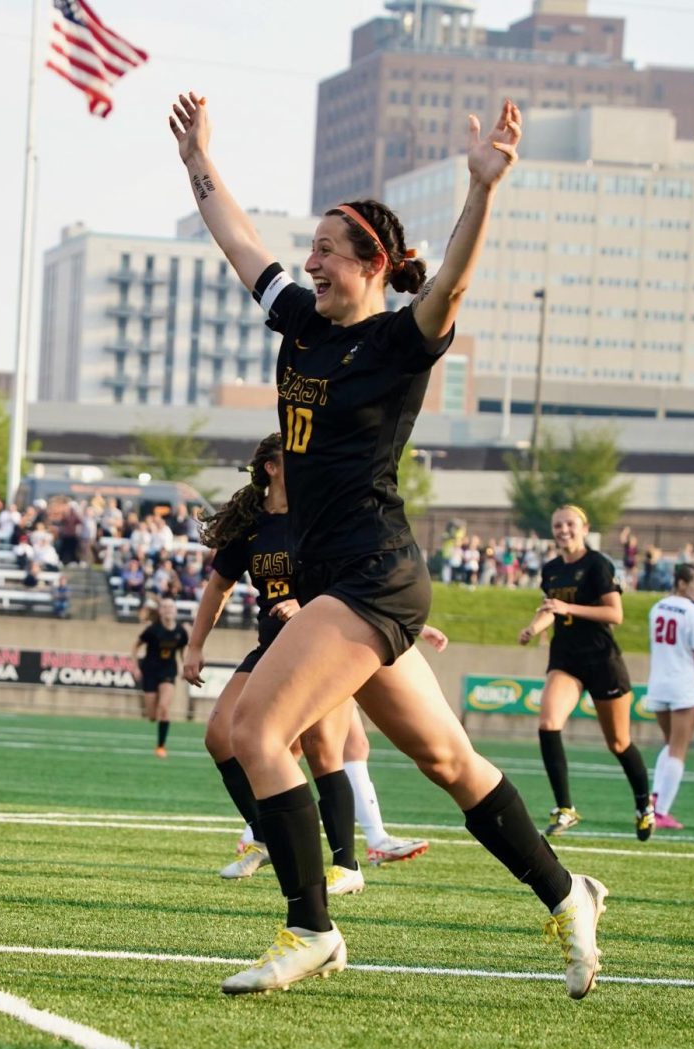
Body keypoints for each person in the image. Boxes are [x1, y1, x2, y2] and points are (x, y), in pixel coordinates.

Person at [170, 91, 605, 999]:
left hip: (374, 578)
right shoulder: (300, 319)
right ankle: (570, 896)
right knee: (450, 763)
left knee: (254, 727)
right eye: (313, 249)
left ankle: (310, 927)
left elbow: (449, 280)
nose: (310, 260)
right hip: (350, 583)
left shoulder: (397, 342)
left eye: (328, 248)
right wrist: (199, 158)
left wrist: (482, 191)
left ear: (371, 265)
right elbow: (233, 231)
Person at [184, 432, 430, 885]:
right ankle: (266, 834)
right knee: (221, 736)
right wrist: (195, 645)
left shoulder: (318, 518)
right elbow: (219, 585)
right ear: (272, 468)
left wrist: (308, 606)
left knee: (323, 750)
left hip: (323, 647)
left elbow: (355, 580)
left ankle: (346, 865)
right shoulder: (252, 523)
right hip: (271, 645)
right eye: (293, 460)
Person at [519, 505, 653, 841]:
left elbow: (615, 614)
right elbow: (552, 608)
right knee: (548, 724)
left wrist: (568, 608)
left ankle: (643, 806)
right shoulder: (550, 569)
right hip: (566, 659)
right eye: (557, 525)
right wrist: (534, 627)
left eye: (569, 524)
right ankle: (565, 808)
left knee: (619, 742)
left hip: (601, 660)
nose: (563, 530)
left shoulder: (597, 564)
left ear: (584, 528)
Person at [645, 562, 694, 829]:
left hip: (659, 683)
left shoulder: (658, 607)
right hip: (685, 686)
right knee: (678, 749)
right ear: (681, 583)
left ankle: (653, 801)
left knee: (669, 744)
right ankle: (661, 811)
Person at [133, 596, 188, 758]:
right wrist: (135, 667)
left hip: (168, 670)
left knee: (164, 708)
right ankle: (154, 716)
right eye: (165, 607)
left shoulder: (180, 631)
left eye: (171, 607)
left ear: (175, 610)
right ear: (160, 610)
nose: (168, 610)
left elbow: (182, 651)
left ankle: (161, 746)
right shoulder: (152, 630)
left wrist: (185, 667)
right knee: (151, 716)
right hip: (150, 670)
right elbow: (135, 647)